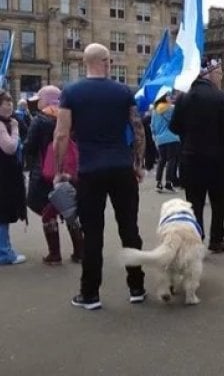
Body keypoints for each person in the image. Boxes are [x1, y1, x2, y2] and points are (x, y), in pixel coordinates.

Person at [54, 43, 147, 310]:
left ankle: (90, 293)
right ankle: (137, 287)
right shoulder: (122, 92)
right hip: (121, 168)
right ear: (106, 62)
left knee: (93, 234)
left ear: (85, 63)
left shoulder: (71, 92)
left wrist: (60, 170)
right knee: (130, 229)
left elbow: (61, 134)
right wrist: (138, 163)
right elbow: (137, 129)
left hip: (90, 171)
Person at [170, 57, 224, 253]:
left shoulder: (184, 97)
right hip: (216, 159)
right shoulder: (220, 98)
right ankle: (217, 238)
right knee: (219, 201)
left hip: (191, 157)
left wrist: (188, 135)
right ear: (208, 73)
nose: (221, 77)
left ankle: (196, 239)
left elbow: (174, 126)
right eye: (219, 73)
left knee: (194, 202)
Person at [25, 85, 83, 265]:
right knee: (69, 210)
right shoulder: (71, 117)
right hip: (70, 172)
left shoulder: (40, 120)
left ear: (46, 99)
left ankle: (55, 253)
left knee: (47, 213)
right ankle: (80, 251)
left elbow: (30, 146)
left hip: (46, 173)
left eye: (40, 98)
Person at [0, 90, 27, 265]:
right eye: (5, 102)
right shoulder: (3, 125)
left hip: (7, 174)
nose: (9, 105)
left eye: (10, 101)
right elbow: (9, 147)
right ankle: (4, 252)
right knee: (2, 213)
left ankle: (5, 248)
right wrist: (16, 129)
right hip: (4, 175)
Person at [150, 91, 180, 193]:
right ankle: (168, 182)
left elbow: (152, 126)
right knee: (171, 160)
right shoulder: (171, 109)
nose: (170, 97)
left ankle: (158, 183)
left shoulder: (154, 111)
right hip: (172, 137)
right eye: (168, 95)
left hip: (160, 139)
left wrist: (155, 138)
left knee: (161, 161)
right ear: (164, 97)